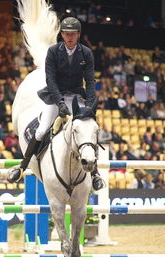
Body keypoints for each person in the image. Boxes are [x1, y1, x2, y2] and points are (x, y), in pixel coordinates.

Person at [7, 17, 104, 191]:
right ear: (62, 34)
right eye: (66, 34)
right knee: (41, 131)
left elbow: (89, 80)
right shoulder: (53, 52)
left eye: (73, 34)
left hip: (76, 97)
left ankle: (95, 174)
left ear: (78, 35)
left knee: (88, 130)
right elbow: (50, 80)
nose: (69, 37)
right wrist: (59, 102)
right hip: (55, 97)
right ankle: (22, 166)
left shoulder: (86, 53)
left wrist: (89, 104)